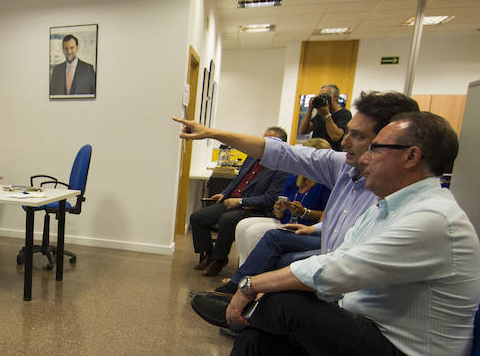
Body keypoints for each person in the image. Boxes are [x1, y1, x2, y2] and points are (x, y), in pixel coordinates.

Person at [152, 111, 480, 356]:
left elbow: (336, 270)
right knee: (259, 338)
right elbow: (337, 261)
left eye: (376, 149)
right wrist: (262, 286)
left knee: (286, 304)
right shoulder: (392, 207)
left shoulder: (432, 219)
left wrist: (250, 285)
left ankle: (238, 312)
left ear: (411, 156)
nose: (363, 158)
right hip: (378, 338)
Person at [175, 91, 420, 298]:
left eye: (358, 136)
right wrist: (213, 133)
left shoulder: (403, 199)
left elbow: (353, 264)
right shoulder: (344, 167)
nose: (344, 141)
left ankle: (238, 299)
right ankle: (239, 307)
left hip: (349, 286)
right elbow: (281, 153)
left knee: (280, 266)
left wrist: (254, 285)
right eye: (349, 132)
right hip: (333, 262)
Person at [189, 127, 289, 277]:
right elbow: (238, 179)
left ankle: (219, 259)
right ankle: (209, 254)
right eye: (263, 140)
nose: (263, 144)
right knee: (197, 217)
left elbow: (270, 198)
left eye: (269, 141)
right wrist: (224, 193)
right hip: (231, 201)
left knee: (227, 220)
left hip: (253, 208)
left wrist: (240, 201)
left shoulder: (281, 168)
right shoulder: (252, 157)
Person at [233, 138, 332, 265]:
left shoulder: (326, 184)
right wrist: (279, 208)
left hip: (306, 225)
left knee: (254, 232)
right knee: (243, 226)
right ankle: (243, 269)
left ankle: (252, 274)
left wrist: (304, 212)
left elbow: (326, 216)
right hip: (286, 220)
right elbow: (279, 212)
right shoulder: (295, 177)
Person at [299, 84, 351, 151]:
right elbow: (303, 130)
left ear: (334, 97)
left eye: (324, 96)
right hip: (316, 154)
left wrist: (326, 115)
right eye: (320, 96)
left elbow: (336, 136)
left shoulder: (345, 114)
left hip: (331, 156)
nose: (322, 98)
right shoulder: (320, 114)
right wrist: (310, 109)